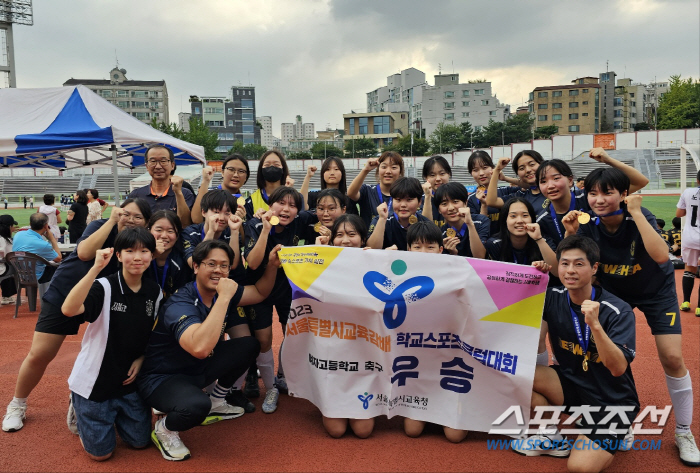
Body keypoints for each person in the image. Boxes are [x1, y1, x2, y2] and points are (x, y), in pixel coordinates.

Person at [562, 168, 700, 467]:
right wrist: (570, 234)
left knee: (672, 358)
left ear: (623, 195)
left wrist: (636, 214)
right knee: (613, 356)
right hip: (614, 294)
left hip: (655, 291)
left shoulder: (641, 214)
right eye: (593, 193)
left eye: (608, 192)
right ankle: (620, 419)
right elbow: (572, 257)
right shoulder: (584, 220)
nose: (599, 199)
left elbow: (663, 255)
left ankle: (683, 431)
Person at [2, 198, 152, 433]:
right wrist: (111, 220)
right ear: (117, 212)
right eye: (126, 213)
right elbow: (83, 253)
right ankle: (17, 403)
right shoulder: (101, 226)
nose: (130, 220)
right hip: (67, 293)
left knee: (107, 354)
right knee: (40, 353)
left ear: (146, 222)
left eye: (138, 217)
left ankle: (81, 398)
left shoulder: (141, 246)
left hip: (103, 303)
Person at [137, 240, 282, 461]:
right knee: (196, 406)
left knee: (248, 345)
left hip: (195, 369)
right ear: (196, 267)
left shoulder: (219, 293)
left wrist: (272, 265)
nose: (219, 270)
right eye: (211, 264)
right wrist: (224, 298)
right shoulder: (181, 303)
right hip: (163, 377)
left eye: (224, 266)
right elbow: (200, 348)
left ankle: (217, 401)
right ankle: (165, 429)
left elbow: (260, 292)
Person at [513, 236, 639, 473]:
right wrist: (531, 279)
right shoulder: (553, 297)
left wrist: (596, 326)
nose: (570, 270)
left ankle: (619, 428)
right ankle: (552, 436)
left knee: (580, 467)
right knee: (516, 374)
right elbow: (510, 303)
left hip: (612, 400)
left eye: (579, 264)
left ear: (594, 268)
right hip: (573, 384)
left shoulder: (617, 310)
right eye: (564, 263)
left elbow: (618, 368)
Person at [61, 228, 162, 461]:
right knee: (101, 455)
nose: (137, 257)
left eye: (144, 251)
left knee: (140, 442)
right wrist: (95, 268)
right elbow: (69, 309)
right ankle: (79, 406)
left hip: (128, 381)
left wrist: (142, 357)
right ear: (118, 255)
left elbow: (153, 333)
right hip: (96, 381)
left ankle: (111, 417)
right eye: (129, 251)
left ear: (152, 255)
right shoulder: (104, 287)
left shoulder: (154, 292)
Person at [243, 186, 317, 412]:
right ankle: (271, 386)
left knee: (293, 334)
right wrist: (265, 230)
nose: (286, 209)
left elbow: (325, 212)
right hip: (260, 289)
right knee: (264, 339)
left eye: (292, 205)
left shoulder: (301, 221)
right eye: (280, 203)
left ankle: (283, 376)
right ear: (269, 205)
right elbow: (253, 263)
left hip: (289, 289)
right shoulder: (253, 225)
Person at [399, 222, 466, 442]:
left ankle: (454, 402)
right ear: (408, 249)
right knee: (412, 431)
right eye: (417, 247)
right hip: (416, 366)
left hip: (449, 362)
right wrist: (365, 259)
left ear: (440, 249)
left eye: (430, 247)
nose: (423, 253)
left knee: (455, 436)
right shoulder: (397, 273)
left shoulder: (457, 272)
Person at [318, 215, 374, 438]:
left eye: (352, 234)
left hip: (364, 354)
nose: (345, 240)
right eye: (339, 235)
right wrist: (318, 253)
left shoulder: (374, 264)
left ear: (362, 238)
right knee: (336, 431)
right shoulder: (324, 261)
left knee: (363, 431)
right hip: (333, 353)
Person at [536, 152, 648, 248]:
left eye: (556, 178)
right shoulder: (543, 221)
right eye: (543, 181)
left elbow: (640, 182)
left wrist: (608, 160)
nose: (550, 185)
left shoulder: (592, 197)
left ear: (570, 180)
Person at [182, 190, 244, 282]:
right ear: (203, 212)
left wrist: (235, 231)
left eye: (227, 213)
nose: (222, 218)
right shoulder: (190, 232)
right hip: (197, 284)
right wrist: (211, 231)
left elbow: (233, 265)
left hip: (227, 283)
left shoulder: (231, 231)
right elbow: (194, 263)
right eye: (216, 212)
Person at [129, 144, 195, 227]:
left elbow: (185, 224)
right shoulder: (136, 195)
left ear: (172, 165)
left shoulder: (185, 194)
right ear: (146, 166)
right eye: (153, 161)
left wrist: (178, 193)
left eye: (163, 161)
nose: (158, 166)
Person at [367, 177, 433, 250]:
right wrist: (382, 219)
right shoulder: (380, 220)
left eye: (409, 200)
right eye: (398, 200)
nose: (403, 205)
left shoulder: (426, 223)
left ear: (419, 202)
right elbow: (372, 250)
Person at [466, 150, 522, 236]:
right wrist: (483, 205)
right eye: (475, 170)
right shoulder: (471, 200)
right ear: (471, 173)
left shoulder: (505, 191)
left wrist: (506, 178)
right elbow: (478, 227)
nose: (481, 173)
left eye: (485, 168)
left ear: (492, 168)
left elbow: (529, 186)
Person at [347, 151, 405, 228]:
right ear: (378, 170)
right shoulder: (367, 190)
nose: (388, 171)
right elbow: (351, 193)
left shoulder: (405, 195)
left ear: (400, 171)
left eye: (394, 167)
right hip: (369, 239)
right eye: (384, 167)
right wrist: (366, 170)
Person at [144, 210, 192, 300]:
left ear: (177, 236)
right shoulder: (139, 256)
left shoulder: (182, 263)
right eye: (159, 230)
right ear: (149, 231)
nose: (164, 235)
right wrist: (151, 256)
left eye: (170, 231)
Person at [434, 182, 490, 257]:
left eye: (455, 202)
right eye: (444, 204)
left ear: (465, 203)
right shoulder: (440, 234)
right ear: (439, 210)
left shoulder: (481, 221)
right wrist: (453, 253)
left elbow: (480, 257)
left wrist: (470, 224)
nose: (451, 208)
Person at [191, 154, 250, 223]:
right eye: (231, 170)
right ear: (222, 172)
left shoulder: (247, 203)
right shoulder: (209, 193)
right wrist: (205, 181)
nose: (236, 175)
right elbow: (196, 219)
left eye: (241, 171)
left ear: (246, 177)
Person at [11, 213, 62, 283]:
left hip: (20, 274)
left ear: (30, 223)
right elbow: (58, 259)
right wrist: (52, 239)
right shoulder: (43, 245)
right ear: (46, 226)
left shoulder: (18, 234)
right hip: (37, 276)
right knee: (64, 268)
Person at [676, 172, 700, 315]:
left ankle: (686, 301)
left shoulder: (688, 192)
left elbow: (679, 214)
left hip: (690, 236)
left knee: (689, 269)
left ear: (697, 180)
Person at [244, 150, 292, 220]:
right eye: (267, 165)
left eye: (276, 165)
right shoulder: (251, 201)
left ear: (283, 169)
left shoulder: (293, 198)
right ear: (261, 170)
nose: (272, 167)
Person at [420, 155, 452, 227]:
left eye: (442, 174)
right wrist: (427, 197)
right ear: (426, 177)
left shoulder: (457, 196)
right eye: (432, 175)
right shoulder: (420, 200)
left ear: (449, 174)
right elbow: (425, 227)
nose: (438, 179)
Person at [0, 215, 17, 305]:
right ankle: (7, 295)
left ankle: (7, 294)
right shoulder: (4, 240)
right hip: (2, 268)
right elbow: (10, 256)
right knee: (15, 267)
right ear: (9, 227)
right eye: (12, 226)